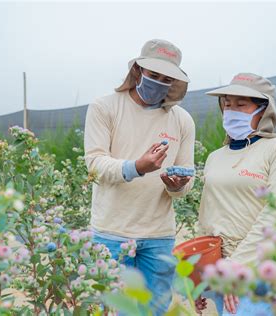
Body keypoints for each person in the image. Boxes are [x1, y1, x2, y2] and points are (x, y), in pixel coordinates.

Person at [83, 39, 195, 314]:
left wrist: (177, 186)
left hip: (159, 236)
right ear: (137, 71)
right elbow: (95, 164)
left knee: (155, 310)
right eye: (153, 75)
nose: (158, 82)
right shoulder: (104, 107)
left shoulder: (182, 120)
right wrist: (136, 167)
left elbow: (186, 177)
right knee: (113, 309)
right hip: (111, 234)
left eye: (166, 78)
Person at [196, 73, 276, 315]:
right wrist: (199, 275)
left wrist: (236, 268)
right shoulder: (216, 156)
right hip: (221, 266)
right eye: (227, 103)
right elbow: (207, 215)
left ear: (263, 110)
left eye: (241, 104)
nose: (231, 110)